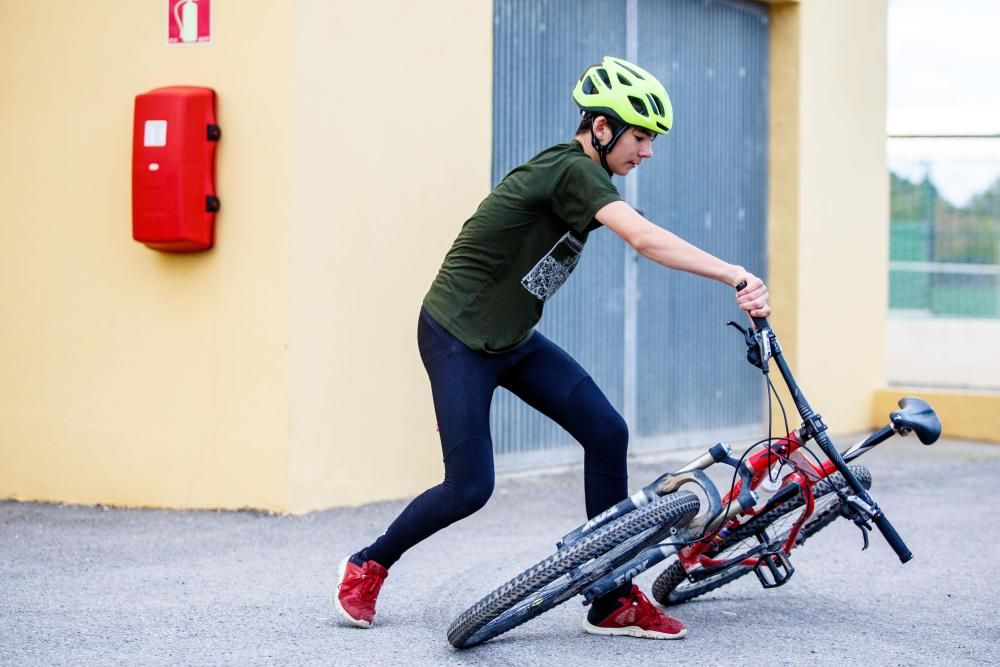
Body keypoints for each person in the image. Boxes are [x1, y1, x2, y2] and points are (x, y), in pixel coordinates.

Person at [335, 56, 771, 640]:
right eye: (639, 137)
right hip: (457, 335)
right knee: (469, 487)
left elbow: (633, 231)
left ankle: (610, 597)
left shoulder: (586, 179)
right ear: (600, 128)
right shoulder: (571, 170)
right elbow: (644, 239)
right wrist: (734, 274)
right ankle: (368, 564)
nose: (646, 152)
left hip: (511, 338)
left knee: (606, 432)